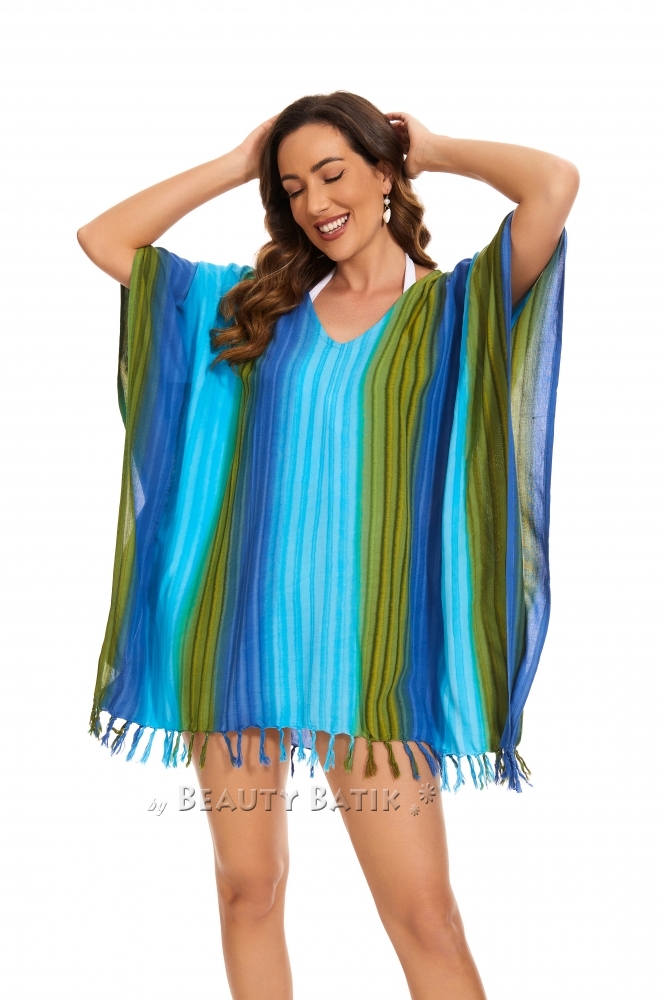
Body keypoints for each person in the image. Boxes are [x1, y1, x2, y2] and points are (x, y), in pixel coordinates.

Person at [77, 92, 578, 1000]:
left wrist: (435, 147)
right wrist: (239, 162)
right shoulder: (258, 313)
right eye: (292, 186)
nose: (314, 202)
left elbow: (551, 184)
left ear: (384, 174)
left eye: (333, 173)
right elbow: (105, 239)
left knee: (424, 918)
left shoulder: (453, 309)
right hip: (239, 640)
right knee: (248, 890)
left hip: (372, 658)